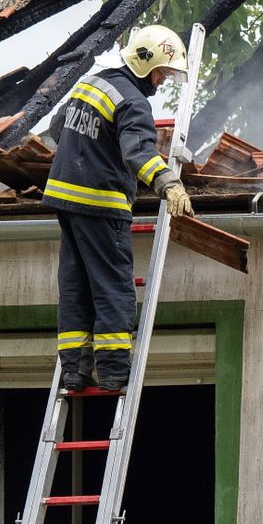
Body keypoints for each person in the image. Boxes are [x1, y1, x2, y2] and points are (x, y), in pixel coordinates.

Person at [42, 25, 195, 392]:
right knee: (112, 287)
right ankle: (112, 371)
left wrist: (88, 154)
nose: (161, 82)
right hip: (101, 205)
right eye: (162, 72)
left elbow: (56, 130)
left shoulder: (90, 84)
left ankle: (75, 372)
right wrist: (169, 183)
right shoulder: (133, 102)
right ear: (145, 65)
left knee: (75, 286)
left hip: (66, 200)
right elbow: (138, 153)